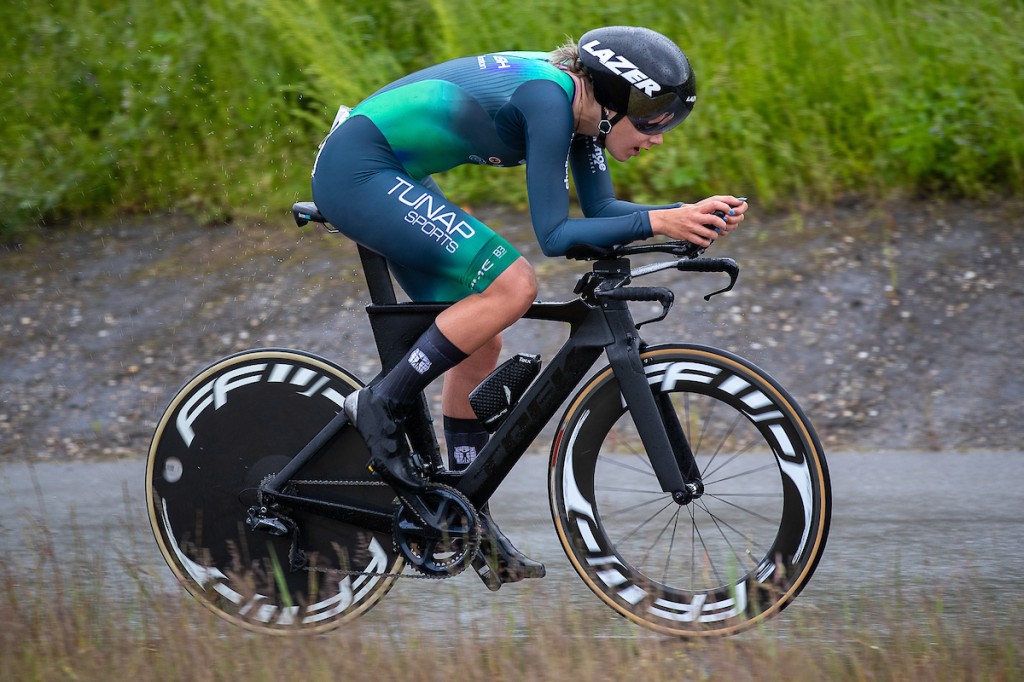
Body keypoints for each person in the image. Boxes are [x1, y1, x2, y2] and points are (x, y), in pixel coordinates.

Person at [310, 25, 748, 589]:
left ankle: (467, 517)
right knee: (513, 286)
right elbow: (557, 234)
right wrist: (660, 221)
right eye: (654, 121)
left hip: (391, 173)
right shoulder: (551, 101)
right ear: (617, 99)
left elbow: (603, 209)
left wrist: (685, 214)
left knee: (481, 332)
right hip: (359, 173)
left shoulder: (587, 113)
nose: (659, 137)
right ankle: (378, 404)